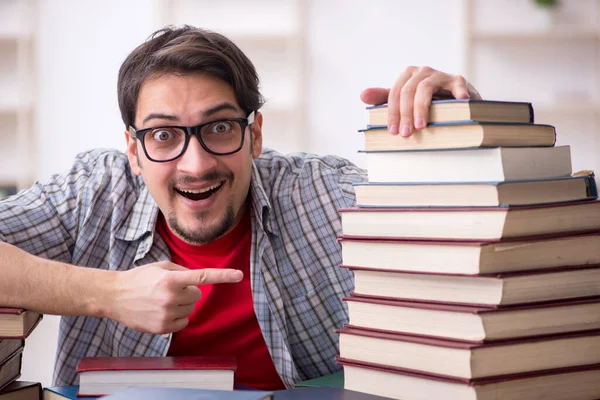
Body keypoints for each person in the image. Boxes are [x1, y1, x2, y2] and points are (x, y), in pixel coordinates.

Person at [0, 25, 481, 390]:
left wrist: (458, 135)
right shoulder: (92, 194)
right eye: (164, 135)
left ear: (254, 135)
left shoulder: (320, 194)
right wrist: (108, 293)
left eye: (220, 127)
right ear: (133, 151)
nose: (197, 163)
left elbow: (474, 223)